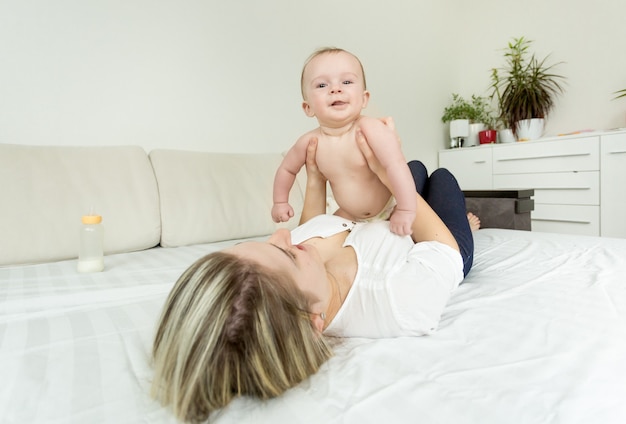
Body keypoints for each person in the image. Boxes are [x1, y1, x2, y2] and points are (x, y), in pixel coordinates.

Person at [151, 124, 475, 423]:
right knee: (442, 177)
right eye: (285, 253)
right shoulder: (398, 303)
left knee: (415, 170)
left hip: (383, 222)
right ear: (313, 319)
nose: (282, 235)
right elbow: (444, 250)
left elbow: (314, 227)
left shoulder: (302, 265)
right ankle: (471, 225)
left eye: (261, 242)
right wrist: (388, 175)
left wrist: (317, 177)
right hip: (430, 241)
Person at [271, 47, 416, 236]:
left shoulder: (370, 129)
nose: (335, 89)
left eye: (346, 82)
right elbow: (287, 169)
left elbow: (396, 165)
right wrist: (280, 202)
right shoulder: (309, 142)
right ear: (308, 108)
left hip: (390, 207)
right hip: (349, 215)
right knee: (315, 236)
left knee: (415, 236)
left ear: (364, 99)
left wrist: (406, 209)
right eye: (322, 85)